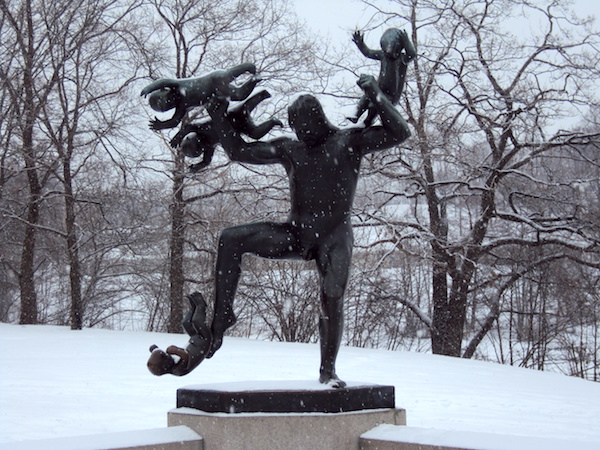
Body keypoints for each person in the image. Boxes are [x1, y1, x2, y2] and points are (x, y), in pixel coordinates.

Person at [203, 74, 411, 388]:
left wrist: (374, 93)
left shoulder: (348, 142)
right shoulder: (291, 149)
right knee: (230, 239)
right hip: (296, 234)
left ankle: (328, 371)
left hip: (334, 237)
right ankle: (221, 320)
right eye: (295, 128)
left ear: (316, 119)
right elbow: (239, 152)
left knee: (332, 293)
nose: (299, 133)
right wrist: (218, 117)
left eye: (302, 127)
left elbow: (400, 131)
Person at [169, 90, 283, 173]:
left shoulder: (199, 129)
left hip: (233, 116)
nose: (202, 145)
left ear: (192, 138)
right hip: (238, 127)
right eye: (200, 148)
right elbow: (207, 160)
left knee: (247, 108)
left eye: (198, 145)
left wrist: (178, 137)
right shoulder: (208, 145)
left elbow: (188, 127)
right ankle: (272, 121)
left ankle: (262, 94)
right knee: (255, 134)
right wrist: (199, 166)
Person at [140, 62, 259, 130]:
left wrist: (149, 88)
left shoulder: (177, 86)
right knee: (239, 94)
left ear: (164, 91)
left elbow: (164, 81)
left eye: (166, 100)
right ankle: (254, 80)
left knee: (227, 76)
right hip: (216, 93)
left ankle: (247, 67)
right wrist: (162, 125)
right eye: (167, 106)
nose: (170, 103)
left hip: (213, 80)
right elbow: (175, 121)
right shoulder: (182, 106)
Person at [348, 28, 416, 126]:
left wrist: (406, 41)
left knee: (375, 103)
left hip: (391, 95)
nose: (388, 52)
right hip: (380, 89)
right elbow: (368, 53)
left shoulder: (402, 59)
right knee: (367, 95)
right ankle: (356, 113)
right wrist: (360, 44)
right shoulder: (383, 55)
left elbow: (412, 55)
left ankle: (368, 120)